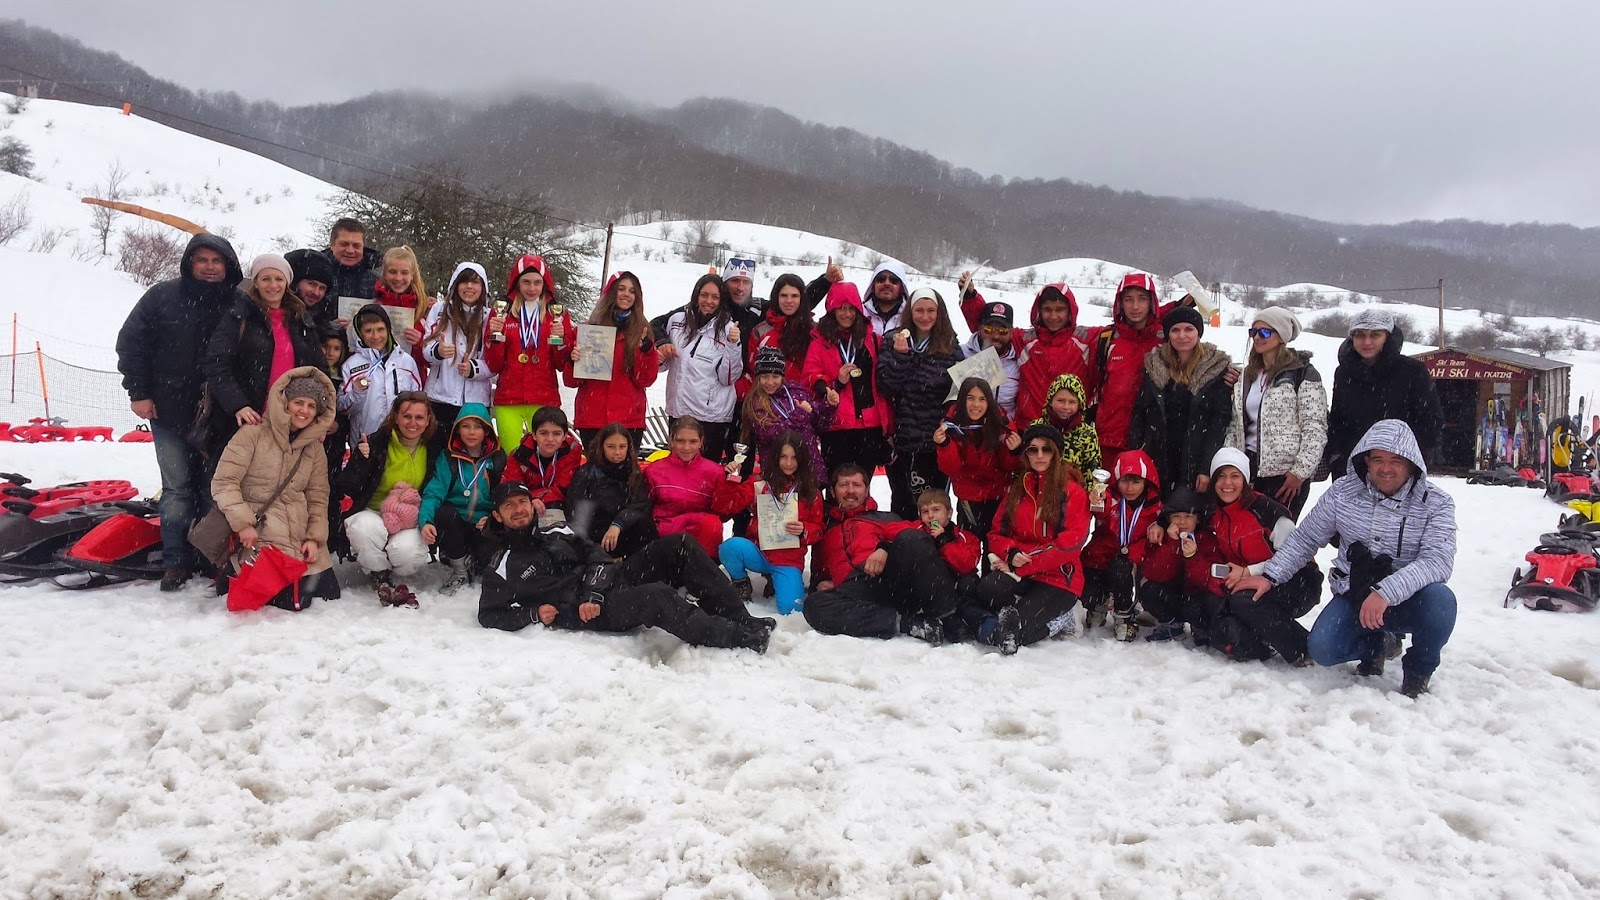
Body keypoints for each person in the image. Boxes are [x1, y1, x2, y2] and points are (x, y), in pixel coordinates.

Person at [1239, 420, 1457, 697]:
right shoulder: (1343, 493)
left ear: (1411, 464)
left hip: (1410, 598)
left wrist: (1386, 592)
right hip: (1355, 595)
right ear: (1366, 461)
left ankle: (1418, 671)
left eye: (1396, 461)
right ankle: (1378, 645)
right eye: (1378, 459)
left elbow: (1437, 560)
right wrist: (1270, 576)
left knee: (1441, 603)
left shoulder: (1436, 503)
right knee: (1323, 649)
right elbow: (1306, 538)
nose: (1386, 468)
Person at [476, 482, 772, 653]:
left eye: (522, 501)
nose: (518, 509)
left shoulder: (557, 531)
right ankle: (736, 637)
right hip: (587, 612)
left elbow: (598, 556)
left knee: (680, 544)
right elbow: (489, 615)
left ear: (533, 505)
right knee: (656, 596)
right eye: (509, 506)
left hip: (606, 585)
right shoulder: (500, 566)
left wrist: (594, 591)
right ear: (498, 516)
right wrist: (532, 613)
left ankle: (741, 618)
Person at [116, 233, 247, 591]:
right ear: (190, 263)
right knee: (176, 490)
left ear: (228, 266)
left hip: (220, 415)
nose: (209, 267)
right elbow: (131, 344)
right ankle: (175, 561)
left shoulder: (239, 302)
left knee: (213, 489)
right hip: (168, 410)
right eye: (202, 260)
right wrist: (139, 392)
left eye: (216, 261)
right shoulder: (162, 296)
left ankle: (208, 556)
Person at [210, 367, 342, 605]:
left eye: (311, 406)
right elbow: (224, 482)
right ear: (285, 403)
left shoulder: (314, 448)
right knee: (295, 599)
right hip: (259, 527)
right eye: (298, 402)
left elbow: (318, 496)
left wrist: (314, 538)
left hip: (298, 529)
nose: (304, 411)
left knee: (328, 593)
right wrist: (243, 523)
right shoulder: (252, 435)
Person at [962, 424, 1092, 654]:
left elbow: (1070, 544)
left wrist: (1024, 563)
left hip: (1058, 577)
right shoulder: (1018, 489)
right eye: (1033, 450)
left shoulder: (1072, 492)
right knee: (987, 591)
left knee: (1018, 632)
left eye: (1046, 449)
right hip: (1020, 571)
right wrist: (1011, 552)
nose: (1040, 455)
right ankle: (1006, 620)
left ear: (1056, 453)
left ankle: (1064, 618)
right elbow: (996, 534)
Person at [801, 464, 960, 644]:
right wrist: (820, 583)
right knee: (813, 606)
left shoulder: (885, 518)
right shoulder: (825, 531)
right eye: (844, 485)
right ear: (832, 491)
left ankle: (947, 617)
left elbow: (915, 540)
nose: (850, 490)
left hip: (890, 581)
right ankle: (905, 623)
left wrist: (884, 548)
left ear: (867, 490)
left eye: (857, 485)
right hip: (856, 593)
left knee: (910, 537)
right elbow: (818, 575)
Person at [1203, 448, 1321, 665]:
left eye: (1235, 476)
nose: (1227, 483)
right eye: (1221, 476)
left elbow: (1298, 555)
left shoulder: (1266, 511)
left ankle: (1302, 647)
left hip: (1299, 581)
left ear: (1245, 480)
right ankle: (1257, 644)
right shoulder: (1216, 512)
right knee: (1216, 603)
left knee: (1244, 600)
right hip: (1253, 579)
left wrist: (1249, 572)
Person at [202, 253, 326, 459]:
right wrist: (238, 404)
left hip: (290, 420)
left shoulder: (300, 319)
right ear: (256, 282)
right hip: (248, 419)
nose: (273, 285)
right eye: (266, 278)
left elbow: (319, 370)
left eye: (279, 279)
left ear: (287, 283)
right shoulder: (239, 316)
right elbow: (216, 364)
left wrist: (321, 415)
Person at [335, 392, 440, 607]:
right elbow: (348, 485)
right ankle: (378, 571)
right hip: (374, 510)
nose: (412, 423)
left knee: (408, 555)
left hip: (411, 516)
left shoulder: (434, 447)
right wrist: (361, 460)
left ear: (428, 420)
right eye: (406, 416)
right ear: (396, 417)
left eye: (419, 417)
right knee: (363, 529)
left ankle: (392, 563)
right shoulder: (377, 442)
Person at [1225, 307, 1327, 518]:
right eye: (1254, 332)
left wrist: (1299, 473)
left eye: (1265, 332)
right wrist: (1231, 462)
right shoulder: (1248, 375)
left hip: (1285, 477)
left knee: (1279, 533)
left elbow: (1315, 428)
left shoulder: (1302, 374)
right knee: (1246, 531)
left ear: (1281, 336)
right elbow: (1236, 425)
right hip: (1249, 469)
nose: (1257, 338)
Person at [877, 287, 964, 520]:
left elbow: (958, 391)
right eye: (919, 310)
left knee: (934, 505)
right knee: (903, 504)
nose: (925, 317)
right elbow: (886, 387)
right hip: (902, 439)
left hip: (935, 440)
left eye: (930, 311)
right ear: (910, 312)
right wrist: (900, 357)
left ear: (939, 313)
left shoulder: (949, 344)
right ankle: (902, 542)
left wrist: (946, 423)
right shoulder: (893, 339)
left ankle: (935, 543)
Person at [714, 431, 824, 615]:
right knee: (730, 547)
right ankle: (741, 582)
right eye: (783, 457)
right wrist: (730, 480)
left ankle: (777, 580)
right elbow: (725, 507)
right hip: (759, 553)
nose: (788, 463)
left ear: (802, 460)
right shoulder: (760, 484)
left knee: (791, 610)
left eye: (794, 458)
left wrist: (805, 529)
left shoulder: (811, 492)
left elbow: (819, 529)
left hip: (788, 561)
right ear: (775, 458)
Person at [1323, 309, 1443, 475]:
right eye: (1360, 335)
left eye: (1375, 335)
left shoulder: (1412, 371)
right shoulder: (1344, 372)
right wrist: (1337, 455)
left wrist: (1409, 457)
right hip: (1351, 464)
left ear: (1388, 337)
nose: (1367, 342)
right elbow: (1338, 419)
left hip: (1398, 465)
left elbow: (1431, 421)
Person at [1128, 306, 1233, 494]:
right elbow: (1140, 414)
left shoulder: (1216, 370)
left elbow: (1219, 424)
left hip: (1194, 460)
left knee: (1186, 510)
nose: (1182, 336)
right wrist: (1137, 455)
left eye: (1189, 329)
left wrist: (1206, 467)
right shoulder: (1154, 366)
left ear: (1198, 333)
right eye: (1175, 330)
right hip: (1159, 458)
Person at [803, 282, 892, 491]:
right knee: (837, 488)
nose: (847, 314)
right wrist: (835, 383)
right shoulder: (820, 341)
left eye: (852, 308)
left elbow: (883, 382)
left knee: (862, 488)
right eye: (841, 308)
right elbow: (809, 378)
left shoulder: (872, 339)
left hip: (869, 426)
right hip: (836, 427)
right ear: (832, 310)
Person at [485, 254, 574, 444]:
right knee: (511, 456)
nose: (532, 288)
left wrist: (561, 340)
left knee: (544, 454)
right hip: (509, 399)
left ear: (545, 284)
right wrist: (495, 339)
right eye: (526, 282)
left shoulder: (556, 314)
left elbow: (561, 364)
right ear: (517, 283)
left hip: (544, 398)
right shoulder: (502, 312)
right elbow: (494, 364)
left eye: (537, 283)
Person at [567, 271, 659, 450]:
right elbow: (571, 381)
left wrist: (646, 352)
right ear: (611, 293)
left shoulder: (642, 332)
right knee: (595, 467)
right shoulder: (587, 330)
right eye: (621, 289)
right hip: (593, 418)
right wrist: (574, 361)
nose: (626, 294)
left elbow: (646, 380)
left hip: (629, 420)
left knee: (625, 468)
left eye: (632, 291)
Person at [418, 405, 504, 594]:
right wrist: (425, 521)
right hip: (456, 525)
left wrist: (493, 518)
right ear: (457, 429)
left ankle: (476, 562)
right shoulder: (448, 458)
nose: (471, 432)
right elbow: (434, 493)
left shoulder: (497, 459)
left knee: (485, 561)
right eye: (466, 426)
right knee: (444, 513)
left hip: (483, 525)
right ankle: (459, 571)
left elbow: (504, 497)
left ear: (487, 431)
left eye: (478, 427)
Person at [658, 274, 743, 463]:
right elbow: (665, 365)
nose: (708, 301)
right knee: (677, 467)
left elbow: (729, 377)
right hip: (678, 410)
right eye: (704, 295)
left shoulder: (728, 329)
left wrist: (733, 345)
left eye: (715, 297)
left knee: (705, 471)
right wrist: (661, 354)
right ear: (696, 295)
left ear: (721, 300)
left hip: (710, 417)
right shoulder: (677, 321)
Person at [1080, 450, 1162, 640]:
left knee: (1123, 570)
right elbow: (1100, 509)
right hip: (1104, 554)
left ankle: (1124, 615)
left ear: (1146, 482)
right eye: (1124, 481)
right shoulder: (1111, 498)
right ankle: (1097, 604)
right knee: (1090, 568)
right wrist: (1095, 498)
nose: (1129, 488)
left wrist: (1133, 556)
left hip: (1133, 559)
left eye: (1136, 482)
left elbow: (1151, 539)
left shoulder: (1155, 507)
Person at [1089, 273, 1170, 461]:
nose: (1135, 306)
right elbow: (1093, 384)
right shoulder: (1107, 339)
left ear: (1151, 303)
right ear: (1120, 303)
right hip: (1110, 438)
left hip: (1151, 439)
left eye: (1142, 299)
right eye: (1128, 299)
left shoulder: (1165, 339)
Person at [934, 376, 1020, 549]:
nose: (976, 405)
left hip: (997, 495)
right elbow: (950, 468)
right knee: (967, 547)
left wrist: (1013, 450)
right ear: (962, 400)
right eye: (971, 398)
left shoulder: (1002, 423)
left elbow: (1009, 466)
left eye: (982, 399)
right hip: (968, 497)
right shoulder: (951, 425)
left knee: (994, 548)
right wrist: (945, 445)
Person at [1137, 486, 1226, 644]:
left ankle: (1201, 628)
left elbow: (1207, 580)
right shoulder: (1163, 538)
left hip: (1196, 596)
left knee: (1205, 603)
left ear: (1197, 518)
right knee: (1149, 591)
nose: (1182, 522)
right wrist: (1172, 544)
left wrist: (1193, 557)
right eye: (1176, 516)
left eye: (1188, 516)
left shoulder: (1207, 540)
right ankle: (1171, 625)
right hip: (1174, 595)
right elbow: (1156, 574)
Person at [741, 347, 833, 485]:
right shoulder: (755, 403)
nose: (770, 382)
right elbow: (768, 434)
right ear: (758, 377)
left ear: (782, 376)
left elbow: (819, 424)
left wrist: (828, 405)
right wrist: (798, 415)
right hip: (778, 470)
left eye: (775, 376)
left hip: (809, 466)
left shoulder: (796, 391)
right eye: (765, 376)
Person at [1012, 284, 1095, 436]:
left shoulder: (1087, 339)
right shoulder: (1025, 340)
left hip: (1071, 430)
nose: (1053, 316)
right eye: (1047, 309)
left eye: (1060, 309)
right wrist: (971, 297)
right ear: (1039, 311)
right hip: (1030, 428)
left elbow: (1125, 336)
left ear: (1070, 311)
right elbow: (991, 327)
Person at [565, 425, 659, 558]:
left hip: (622, 529)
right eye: (611, 447)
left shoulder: (633, 471)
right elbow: (577, 509)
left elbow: (640, 505)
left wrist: (618, 524)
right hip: (595, 532)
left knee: (645, 525)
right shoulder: (587, 472)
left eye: (622, 447)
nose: (617, 452)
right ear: (601, 446)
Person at [420, 262, 494, 428]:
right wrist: (438, 351)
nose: (469, 287)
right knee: (439, 444)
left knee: (470, 445)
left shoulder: (491, 317)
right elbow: (426, 348)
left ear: (483, 287)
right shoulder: (439, 310)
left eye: (475, 282)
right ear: (455, 284)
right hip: (440, 397)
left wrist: (475, 369)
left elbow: (496, 361)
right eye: (464, 281)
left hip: (476, 401)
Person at [338, 304, 424, 444]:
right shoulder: (351, 365)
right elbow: (342, 407)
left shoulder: (406, 361)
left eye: (380, 329)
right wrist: (356, 392)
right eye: (368, 331)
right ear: (360, 333)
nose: (376, 336)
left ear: (388, 329)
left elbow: (418, 401)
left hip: (400, 438)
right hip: (366, 439)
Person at [644, 416, 727, 557]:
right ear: (671, 441)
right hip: (666, 533)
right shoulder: (654, 470)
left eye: (693, 441)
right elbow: (644, 508)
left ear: (701, 442)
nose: (686, 447)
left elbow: (723, 512)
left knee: (712, 523)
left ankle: (705, 564)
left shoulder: (715, 472)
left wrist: (731, 486)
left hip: (701, 536)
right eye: (680, 441)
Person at [501, 407, 584, 521]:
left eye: (556, 434)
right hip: (526, 507)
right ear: (534, 435)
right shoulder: (519, 455)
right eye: (543, 433)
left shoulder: (572, 451)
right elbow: (511, 489)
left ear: (565, 436)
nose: (550, 439)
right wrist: (529, 501)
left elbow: (563, 489)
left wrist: (532, 498)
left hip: (559, 504)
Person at [743, 273, 813, 387]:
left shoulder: (813, 331)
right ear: (776, 297)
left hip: (804, 395)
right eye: (784, 295)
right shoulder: (760, 331)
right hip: (769, 394)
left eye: (794, 296)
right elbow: (753, 371)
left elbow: (817, 369)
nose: (789, 300)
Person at [958, 299, 1022, 420]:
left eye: (1003, 331)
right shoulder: (960, 354)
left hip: (1003, 427)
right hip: (965, 426)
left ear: (1011, 333)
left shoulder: (1019, 361)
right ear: (980, 329)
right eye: (989, 329)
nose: (996, 336)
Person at [1029, 373, 1102, 473]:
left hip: (1074, 482)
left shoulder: (1087, 434)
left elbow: (1093, 471)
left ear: (1079, 405)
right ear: (1051, 401)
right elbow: (1026, 464)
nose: (1066, 407)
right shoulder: (1036, 428)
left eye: (1072, 402)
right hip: (1040, 481)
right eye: (1060, 400)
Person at [321, 217, 380, 301]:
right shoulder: (315, 276)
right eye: (344, 244)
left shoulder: (378, 283)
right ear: (332, 244)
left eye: (356, 246)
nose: (350, 251)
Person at [285, 248, 338, 328]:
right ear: (295, 283)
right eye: (312, 284)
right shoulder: (281, 316)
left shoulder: (321, 318)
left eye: (322, 288)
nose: (316, 293)